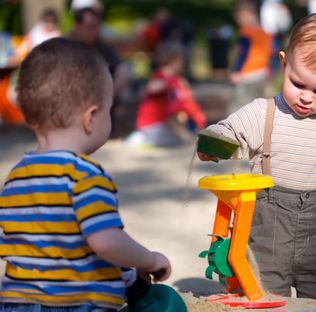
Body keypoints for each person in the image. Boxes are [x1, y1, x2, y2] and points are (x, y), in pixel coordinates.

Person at [198, 13, 316, 300]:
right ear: (284, 64)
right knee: (262, 296)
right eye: (298, 83)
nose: (306, 97)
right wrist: (214, 144)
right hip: (266, 235)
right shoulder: (262, 113)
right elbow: (229, 131)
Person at [0, 38, 171, 310]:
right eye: (108, 109)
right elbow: (105, 242)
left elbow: (43, 248)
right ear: (91, 117)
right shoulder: (84, 176)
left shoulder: (15, 178)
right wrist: (149, 260)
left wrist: (125, 275)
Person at [125, 42, 206, 147]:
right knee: (170, 137)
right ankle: (140, 138)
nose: (182, 64)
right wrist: (169, 83)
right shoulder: (161, 77)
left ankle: (185, 137)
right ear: (174, 60)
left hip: (162, 124)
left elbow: (185, 101)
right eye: (181, 61)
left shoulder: (175, 80)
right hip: (152, 125)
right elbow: (151, 87)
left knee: (178, 118)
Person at [70, 7, 129, 137]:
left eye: (96, 27)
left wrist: (110, 93)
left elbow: (122, 68)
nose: (94, 31)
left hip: (101, 99)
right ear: (77, 26)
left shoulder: (102, 47)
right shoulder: (64, 47)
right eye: (89, 27)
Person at [230, 0, 272, 113]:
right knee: (257, 109)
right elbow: (269, 53)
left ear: (243, 14)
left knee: (237, 108)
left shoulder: (246, 32)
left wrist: (237, 71)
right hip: (261, 74)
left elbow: (242, 54)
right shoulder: (264, 33)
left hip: (246, 75)